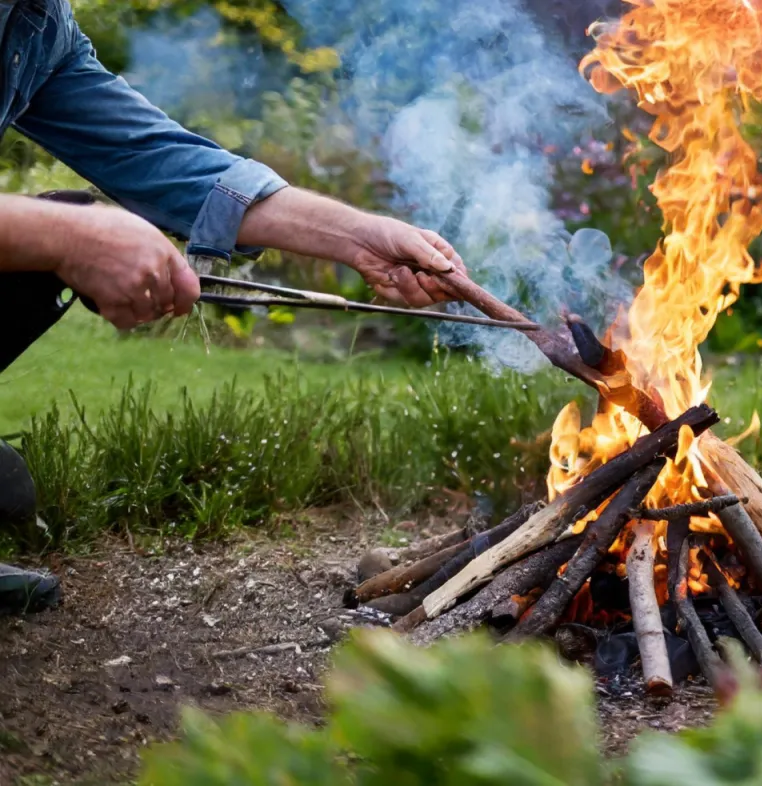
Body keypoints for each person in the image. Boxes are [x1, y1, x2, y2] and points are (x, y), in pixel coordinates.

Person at [0, 0, 472, 613]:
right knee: (54, 234)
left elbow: (156, 157)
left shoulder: (37, 24)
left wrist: (359, 236)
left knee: (53, 235)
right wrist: (68, 237)